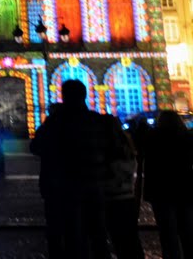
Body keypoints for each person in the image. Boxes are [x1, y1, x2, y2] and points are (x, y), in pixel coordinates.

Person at [31, 80, 111, 259]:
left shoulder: (55, 122)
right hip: (94, 186)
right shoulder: (97, 120)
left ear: (63, 96)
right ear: (85, 95)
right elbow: (112, 151)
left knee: (63, 234)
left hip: (60, 187)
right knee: (97, 233)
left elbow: (36, 147)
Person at [143, 110, 193, 258]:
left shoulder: (153, 138)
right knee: (188, 230)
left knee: (167, 232)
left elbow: (149, 164)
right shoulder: (187, 137)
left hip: (161, 190)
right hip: (185, 188)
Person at [101, 114, 144, 259]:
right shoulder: (127, 145)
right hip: (128, 197)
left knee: (117, 239)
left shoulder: (105, 148)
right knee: (131, 238)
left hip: (111, 198)